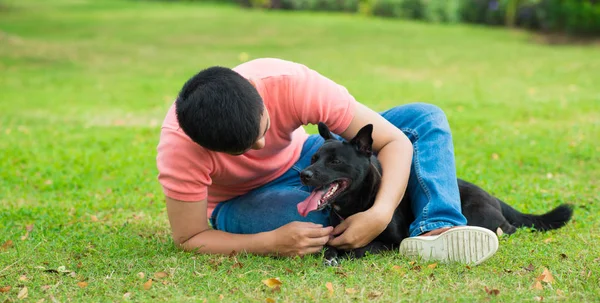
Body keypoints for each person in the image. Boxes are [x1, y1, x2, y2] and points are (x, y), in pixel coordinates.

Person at [156, 58, 498, 264]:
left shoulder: (289, 83)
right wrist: (269, 244)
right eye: (243, 148)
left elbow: (394, 139)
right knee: (313, 224)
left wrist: (378, 214)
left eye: (263, 130)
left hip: (310, 156)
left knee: (424, 118)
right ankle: (410, 205)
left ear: (260, 99)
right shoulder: (180, 148)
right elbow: (190, 238)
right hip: (243, 199)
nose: (261, 145)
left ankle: (437, 228)